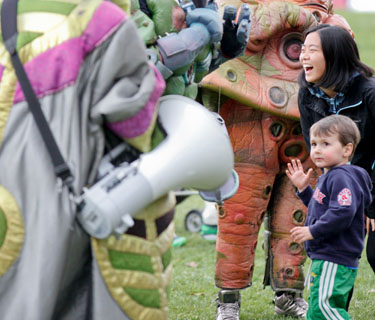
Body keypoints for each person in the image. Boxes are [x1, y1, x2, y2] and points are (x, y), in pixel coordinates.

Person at [0, 0, 229, 318]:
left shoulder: (8, 11)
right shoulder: (100, 19)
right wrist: (189, 45)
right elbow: (135, 125)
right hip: (70, 196)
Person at [297, 24, 375, 319]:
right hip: (346, 182)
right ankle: (333, 313)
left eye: (312, 50)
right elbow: (316, 149)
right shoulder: (307, 94)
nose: (303, 56)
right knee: (337, 252)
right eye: (302, 49)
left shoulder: (373, 93)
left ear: (335, 55)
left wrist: (369, 203)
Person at [286, 114, 372, 320]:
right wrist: (304, 189)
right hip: (330, 257)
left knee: (321, 310)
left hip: (333, 256)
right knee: (319, 309)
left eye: (326, 143)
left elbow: (342, 212)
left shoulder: (340, 177)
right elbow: (321, 207)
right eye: (314, 143)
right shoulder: (333, 175)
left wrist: (312, 231)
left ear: (347, 149)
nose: (317, 149)